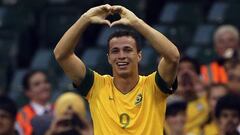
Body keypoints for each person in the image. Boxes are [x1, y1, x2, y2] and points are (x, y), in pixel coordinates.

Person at [54, 4, 180, 135]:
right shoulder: (96, 86)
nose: (121, 56)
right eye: (115, 51)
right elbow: (61, 55)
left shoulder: (154, 86)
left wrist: (137, 23)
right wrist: (85, 18)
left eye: (127, 50)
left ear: (139, 55)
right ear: (109, 58)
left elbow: (173, 57)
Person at [16, 70, 53, 135]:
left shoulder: (60, 108)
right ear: (27, 92)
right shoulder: (21, 116)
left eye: (46, 82)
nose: (44, 86)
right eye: (37, 84)